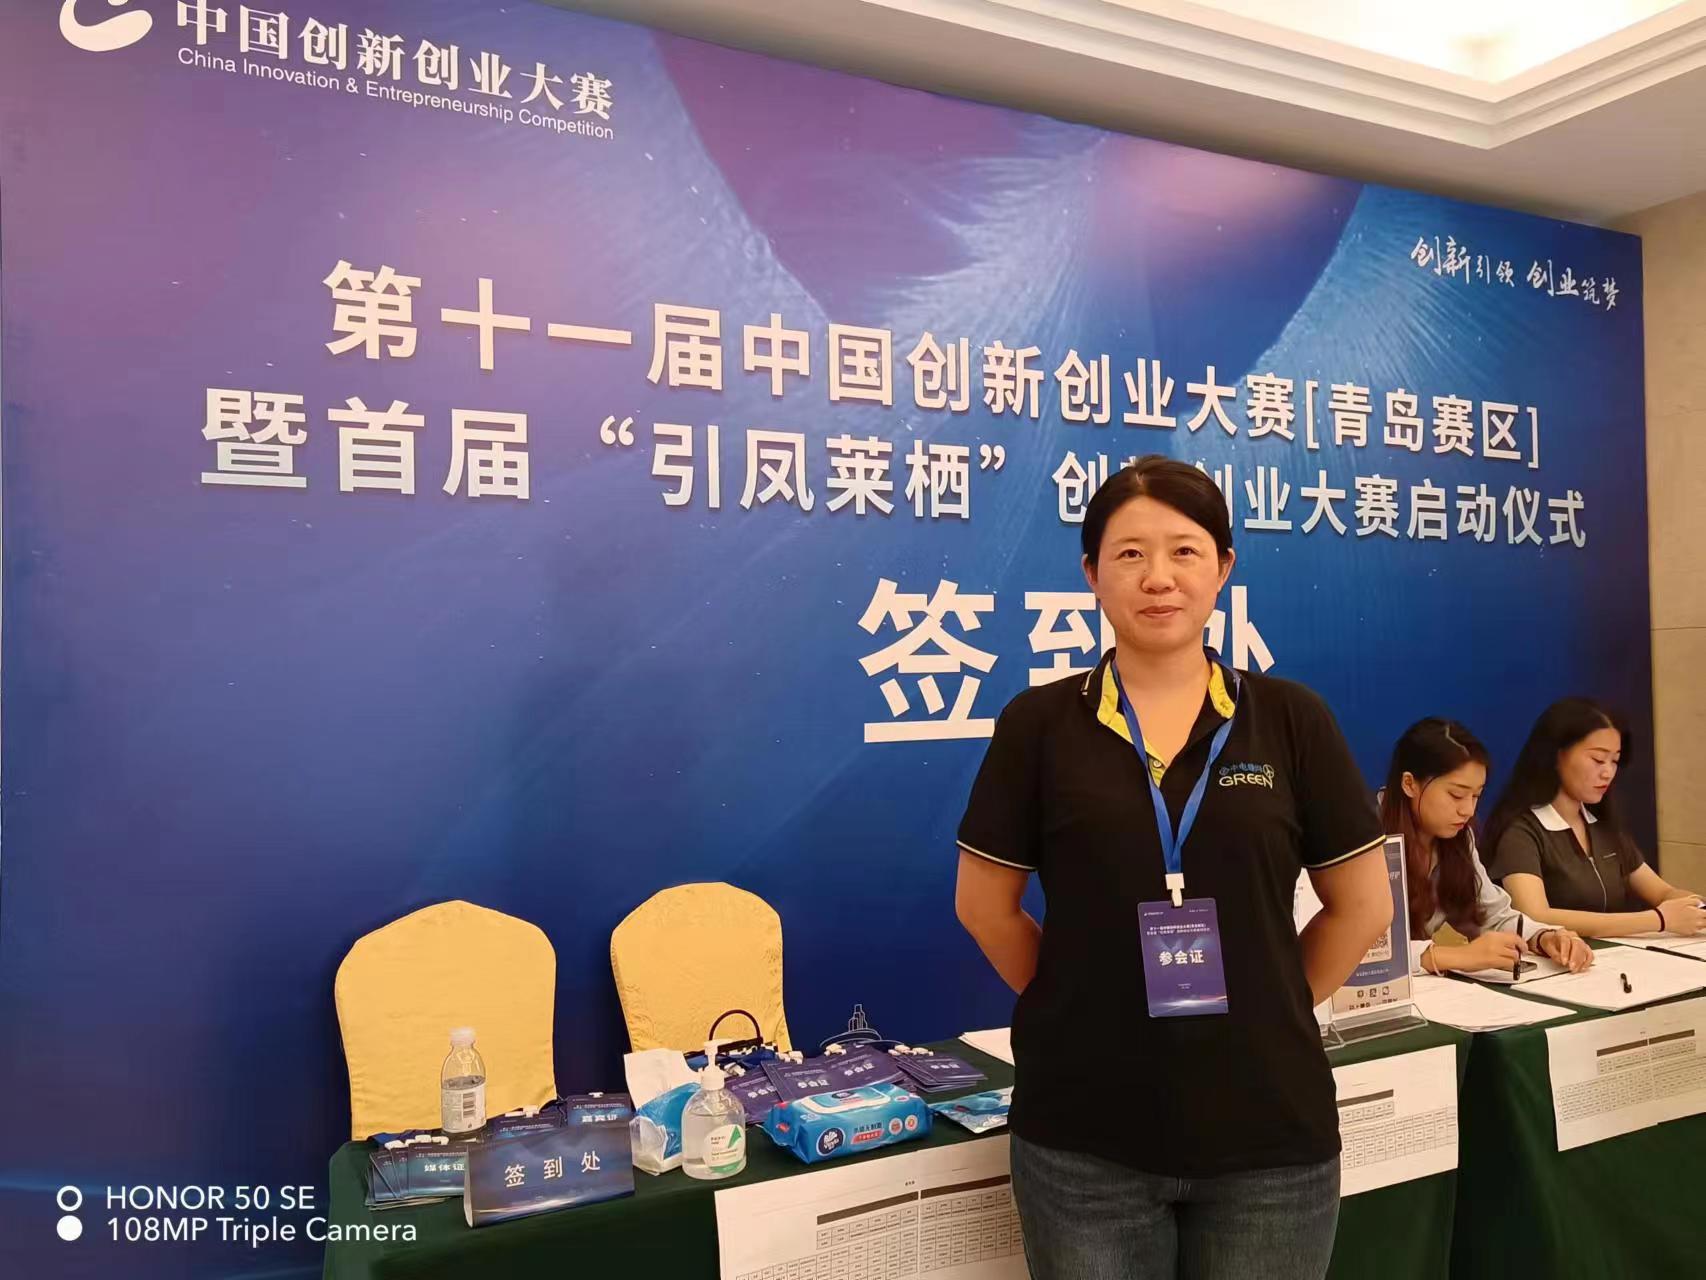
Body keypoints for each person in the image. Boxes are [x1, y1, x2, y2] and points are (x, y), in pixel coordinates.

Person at [954, 457, 1393, 1280]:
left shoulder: (1291, 718)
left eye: (1184, 551)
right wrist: (1076, 1000)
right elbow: (985, 906)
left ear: (1223, 567)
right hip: (1084, 1138)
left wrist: (1271, 1003)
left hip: (1270, 1136)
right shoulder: (1039, 725)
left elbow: (1363, 906)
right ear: (1091, 573)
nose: (1158, 577)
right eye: (1129, 554)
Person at [1380, 718, 1591, 976]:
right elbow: (1361, 950)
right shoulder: (1364, 839)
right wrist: (1455, 956)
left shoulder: (1459, 838)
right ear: (1409, 784)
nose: (1468, 810)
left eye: (1476, 796)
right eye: (1456, 795)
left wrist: (1544, 936)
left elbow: (1494, 915)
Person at [1484, 698, 1705, 939]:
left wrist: (1696, 907)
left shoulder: (1604, 827)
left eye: (1615, 761)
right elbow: (1535, 915)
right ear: (1556, 756)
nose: (1608, 772)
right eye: (1598, 760)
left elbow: (1663, 893)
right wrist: (1658, 920)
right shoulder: (1521, 831)